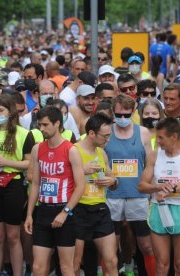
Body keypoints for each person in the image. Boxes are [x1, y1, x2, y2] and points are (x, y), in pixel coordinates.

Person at [24, 106, 85, 276]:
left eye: (45, 125)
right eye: (39, 125)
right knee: (38, 267)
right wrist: (29, 214)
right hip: (43, 210)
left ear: (57, 123)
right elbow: (36, 182)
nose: (41, 128)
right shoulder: (38, 149)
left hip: (64, 211)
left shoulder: (71, 150)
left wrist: (65, 212)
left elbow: (80, 186)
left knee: (66, 267)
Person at [138, 117, 180, 275]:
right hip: (158, 209)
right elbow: (141, 186)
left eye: (161, 137)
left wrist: (173, 188)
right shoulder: (154, 155)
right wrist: (158, 186)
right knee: (162, 265)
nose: (157, 141)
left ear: (174, 136)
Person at [0, 94, 34, 276]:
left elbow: (30, 163)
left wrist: (7, 162)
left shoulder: (23, 134)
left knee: (13, 236)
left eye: (1, 110)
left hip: (14, 184)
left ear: (10, 112)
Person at [104, 94, 155, 276]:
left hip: (138, 195)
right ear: (113, 112)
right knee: (109, 247)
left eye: (127, 115)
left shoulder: (143, 132)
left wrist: (152, 191)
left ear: (133, 112)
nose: (123, 119)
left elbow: (150, 163)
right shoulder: (106, 132)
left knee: (146, 245)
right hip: (112, 196)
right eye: (119, 115)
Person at [73, 113, 119, 276]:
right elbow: (62, 179)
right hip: (78, 208)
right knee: (75, 263)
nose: (107, 140)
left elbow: (114, 179)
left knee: (112, 260)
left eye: (109, 136)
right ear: (91, 133)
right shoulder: (74, 150)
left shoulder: (101, 153)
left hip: (100, 208)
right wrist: (81, 171)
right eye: (105, 136)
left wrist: (111, 182)